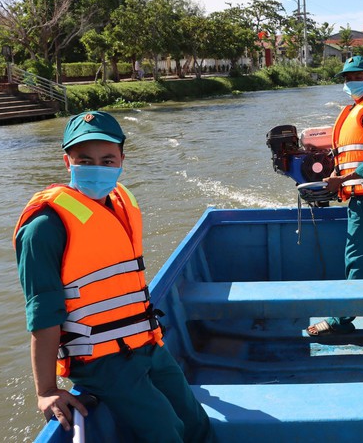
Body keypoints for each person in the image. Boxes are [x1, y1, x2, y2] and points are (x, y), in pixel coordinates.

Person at [13, 111, 214, 442]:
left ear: (121, 159)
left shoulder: (122, 202)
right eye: (84, 159)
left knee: (195, 421)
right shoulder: (45, 227)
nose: (97, 168)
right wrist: (46, 390)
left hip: (146, 344)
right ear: (68, 162)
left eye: (107, 160)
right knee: (166, 430)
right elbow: (43, 313)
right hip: (101, 362)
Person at [306, 56, 363, 336]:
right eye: (346, 78)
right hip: (361, 197)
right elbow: (346, 153)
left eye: (356, 77)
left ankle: (340, 320)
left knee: (356, 257)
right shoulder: (352, 111)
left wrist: (341, 180)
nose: (350, 82)